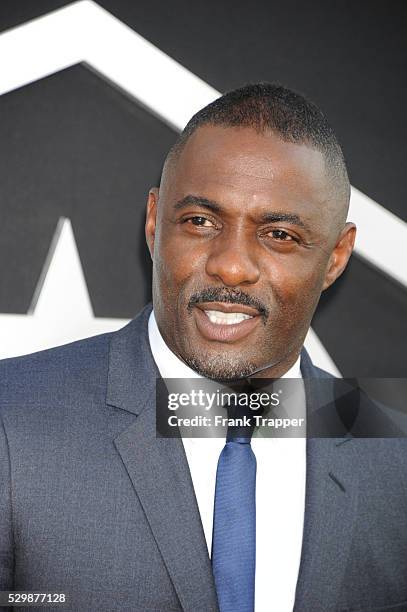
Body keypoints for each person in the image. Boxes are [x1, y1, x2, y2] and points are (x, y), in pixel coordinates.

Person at [0, 83, 406, 612]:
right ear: (153, 222)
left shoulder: (392, 447)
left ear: (335, 257)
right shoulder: (12, 416)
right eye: (200, 222)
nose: (230, 265)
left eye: (279, 234)